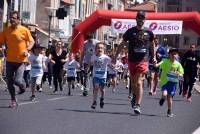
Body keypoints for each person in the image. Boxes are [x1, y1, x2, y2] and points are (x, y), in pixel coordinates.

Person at [115, 11, 156, 114]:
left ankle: (138, 105)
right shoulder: (130, 32)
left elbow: (152, 44)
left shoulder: (149, 32)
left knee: (139, 82)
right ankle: (134, 96)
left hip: (143, 60)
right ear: (136, 19)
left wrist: (154, 56)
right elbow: (122, 44)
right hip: (132, 60)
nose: (141, 20)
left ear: (145, 20)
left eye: (143, 18)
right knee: (133, 83)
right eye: (139, 18)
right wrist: (115, 56)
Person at [0, 11, 34, 108]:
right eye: (11, 17)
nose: (12, 19)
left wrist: (28, 49)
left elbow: (31, 41)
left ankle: (22, 87)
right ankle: (13, 100)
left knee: (17, 80)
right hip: (10, 60)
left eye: (14, 18)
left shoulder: (24, 30)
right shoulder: (6, 31)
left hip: (21, 60)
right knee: (9, 81)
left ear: (19, 20)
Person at [154, 48, 183, 117]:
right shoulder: (165, 61)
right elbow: (157, 65)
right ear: (169, 55)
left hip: (173, 83)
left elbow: (181, 72)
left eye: (175, 54)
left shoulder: (178, 64)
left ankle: (169, 111)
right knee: (165, 94)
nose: (174, 55)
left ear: (177, 55)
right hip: (165, 81)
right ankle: (163, 98)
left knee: (170, 97)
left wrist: (179, 73)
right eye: (172, 54)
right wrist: (155, 62)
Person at [91, 42, 111, 109]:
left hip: (103, 76)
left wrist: (113, 67)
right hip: (95, 75)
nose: (100, 49)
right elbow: (91, 64)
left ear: (104, 49)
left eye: (101, 48)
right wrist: (87, 68)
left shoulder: (106, 58)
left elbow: (109, 64)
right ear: (96, 49)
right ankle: (94, 102)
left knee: (102, 89)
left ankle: (102, 98)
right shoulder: (93, 56)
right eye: (98, 48)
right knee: (96, 87)